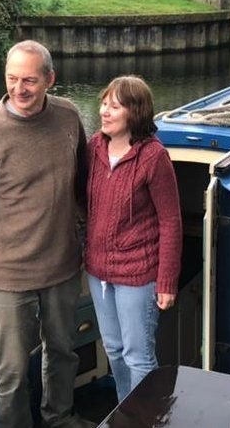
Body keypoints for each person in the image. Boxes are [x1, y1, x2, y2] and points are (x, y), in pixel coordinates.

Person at [0, 40, 89, 428]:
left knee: (63, 352)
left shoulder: (68, 116)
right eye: (12, 79)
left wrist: (86, 237)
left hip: (62, 268)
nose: (20, 89)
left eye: (29, 80)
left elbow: (82, 186)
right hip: (8, 276)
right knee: (11, 372)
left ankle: (59, 418)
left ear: (50, 79)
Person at [84, 75, 182, 403]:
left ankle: (146, 417)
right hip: (98, 272)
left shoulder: (154, 157)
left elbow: (170, 221)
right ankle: (126, 411)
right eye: (104, 104)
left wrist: (166, 281)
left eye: (114, 106)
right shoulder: (95, 146)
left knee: (137, 355)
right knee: (112, 348)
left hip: (138, 275)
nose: (104, 111)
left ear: (135, 112)